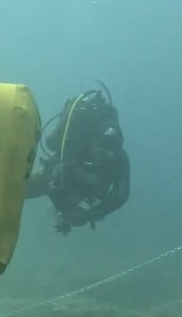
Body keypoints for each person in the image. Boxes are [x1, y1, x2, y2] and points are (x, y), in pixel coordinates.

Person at [26, 83, 130, 234]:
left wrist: (90, 214)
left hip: (71, 185)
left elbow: (120, 196)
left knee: (25, 189)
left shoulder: (118, 157)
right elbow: (53, 182)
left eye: (110, 150)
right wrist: (71, 212)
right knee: (24, 189)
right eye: (103, 149)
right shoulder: (77, 148)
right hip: (62, 180)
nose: (107, 154)